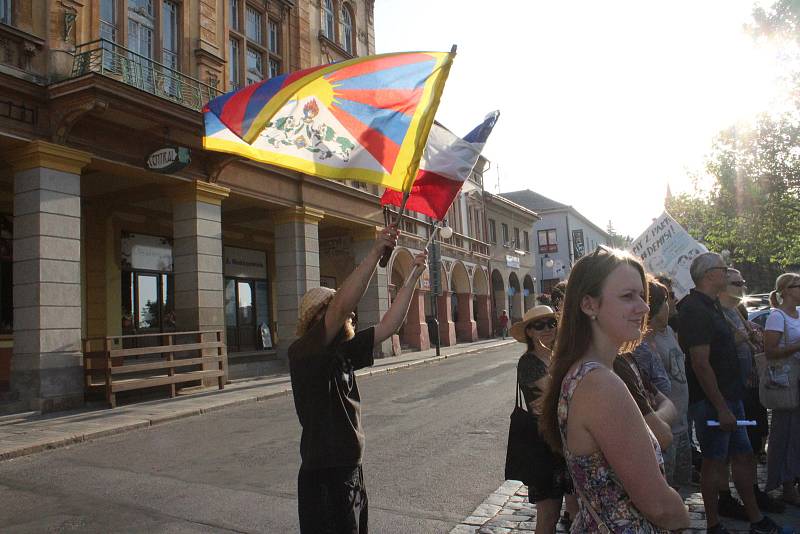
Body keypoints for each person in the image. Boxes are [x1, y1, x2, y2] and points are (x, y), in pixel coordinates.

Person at [539, 246, 689, 532]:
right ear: (589, 305)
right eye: (627, 296)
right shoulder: (600, 384)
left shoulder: (586, 373)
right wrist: (683, 518)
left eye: (641, 296)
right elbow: (659, 506)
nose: (644, 307)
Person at [289, 226, 427, 534]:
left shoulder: (341, 351)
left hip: (349, 470)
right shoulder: (305, 352)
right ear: (318, 319)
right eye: (338, 312)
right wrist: (377, 249)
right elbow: (341, 307)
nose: (350, 316)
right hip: (325, 475)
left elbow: (388, 326)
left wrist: (412, 279)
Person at [679, 252, 782, 533]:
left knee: (744, 455)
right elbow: (700, 364)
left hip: (730, 398)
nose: (728, 274)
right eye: (724, 270)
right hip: (713, 403)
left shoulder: (712, 305)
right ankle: (713, 524)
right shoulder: (694, 309)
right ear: (710, 274)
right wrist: (721, 407)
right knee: (714, 463)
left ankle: (755, 518)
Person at [719, 269, 784, 516]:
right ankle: (727, 499)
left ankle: (752, 492)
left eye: (743, 281)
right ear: (723, 286)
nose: (743, 286)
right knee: (730, 452)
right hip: (734, 391)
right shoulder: (717, 314)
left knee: (750, 447)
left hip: (749, 389)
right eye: (738, 282)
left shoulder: (735, 312)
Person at [509, 305, 577, 533]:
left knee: (575, 509)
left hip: (567, 443)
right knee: (548, 516)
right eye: (539, 325)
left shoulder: (560, 357)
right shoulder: (529, 362)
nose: (547, 328)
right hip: (545, 448)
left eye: (551, 323)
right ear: (529, 332)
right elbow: (558, 399)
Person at [634, 276, 692, 490]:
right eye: (669, 299)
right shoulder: (639, 346)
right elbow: (648, 389)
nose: (673, 303)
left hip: (680, 424)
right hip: (661, 431)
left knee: (680, 487)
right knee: (664, 489)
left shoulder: (669, 332)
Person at [763, 272, 800, 506]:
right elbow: (770, 351)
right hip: (786, 384)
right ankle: (784, 482)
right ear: (785, 290)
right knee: (785, 434)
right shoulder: (777, 316)